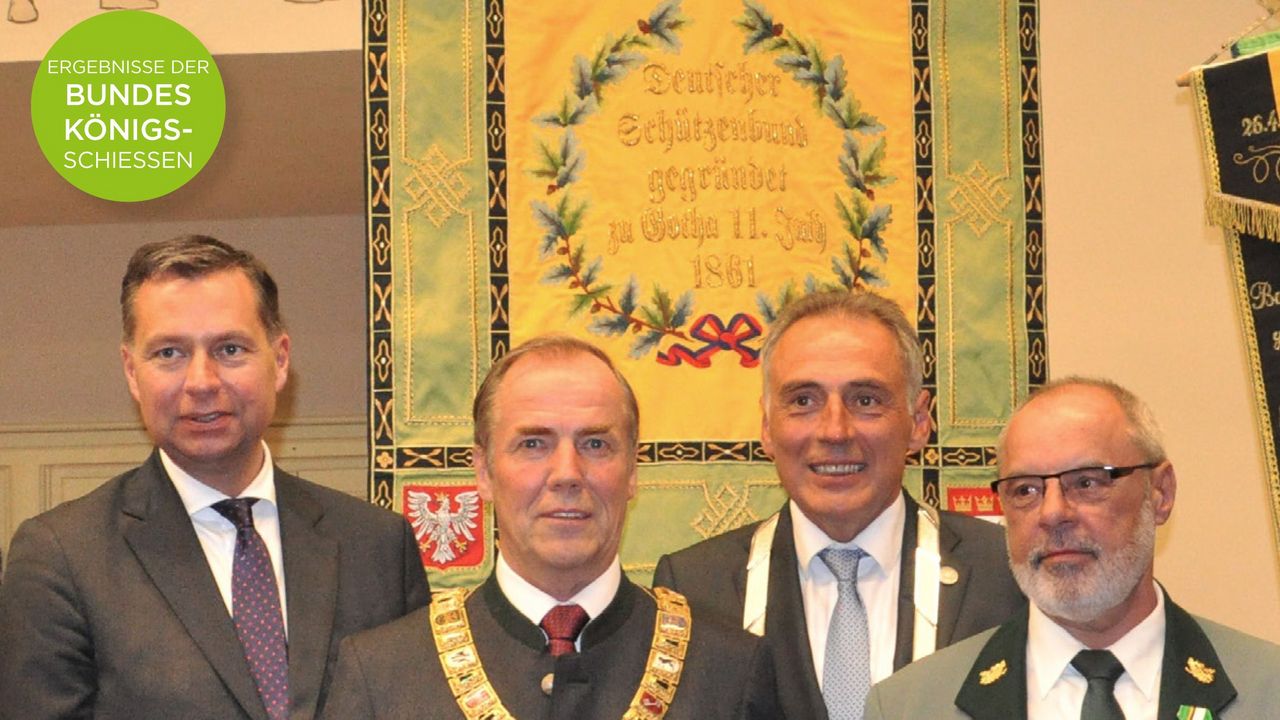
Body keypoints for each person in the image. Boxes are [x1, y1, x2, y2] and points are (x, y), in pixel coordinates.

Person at [0, 235, 431, 720]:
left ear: (281, 360)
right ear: (131, 372)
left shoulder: (376, 545)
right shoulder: (61, 555)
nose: (202, 382)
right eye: (169, 354)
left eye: (229, 349)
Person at [320, 335, 779, 719]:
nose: (567, 473)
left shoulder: (728, 669)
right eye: (534, 444)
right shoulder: (383, 674)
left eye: (596, 443)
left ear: (633, 470)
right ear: (483, 471)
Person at [653, 290, 1024, 720]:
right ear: (767, 426)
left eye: (865, 400)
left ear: (919, 422)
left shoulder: (1006, 572)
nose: (834, 431)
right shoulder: (694, 591)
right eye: (803, 401)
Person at [864, 377, 1280, 719]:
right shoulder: (910, 707)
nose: (1053, 513)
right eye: (1025, 490)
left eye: (1087, 482)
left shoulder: (1267, 692)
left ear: (1161, 493)